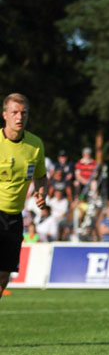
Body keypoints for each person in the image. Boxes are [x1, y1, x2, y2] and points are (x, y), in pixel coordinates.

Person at [0, 93, 47, 299]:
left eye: (24, 113)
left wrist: (41, 191)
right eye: (15, 113)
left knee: (4, 274)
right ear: (5, 115)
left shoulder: (35, 145)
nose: (19, 117)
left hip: (15, 217)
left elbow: (41, 176)